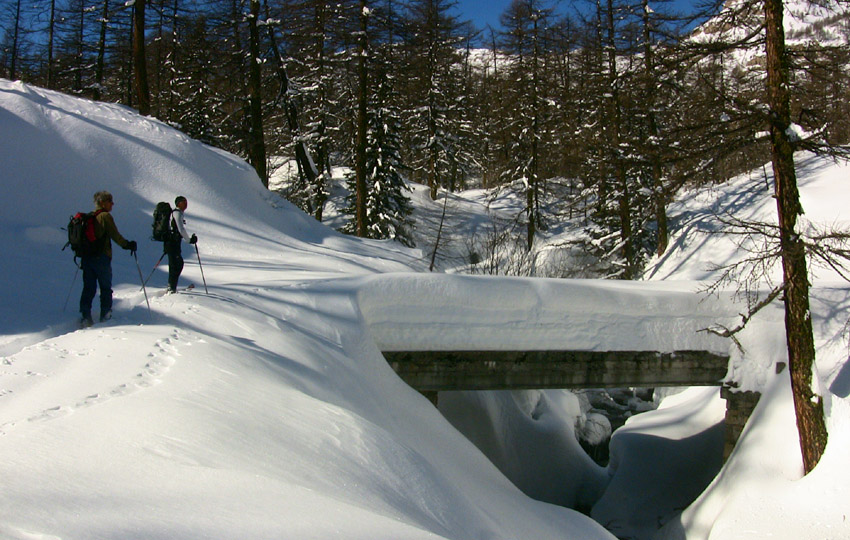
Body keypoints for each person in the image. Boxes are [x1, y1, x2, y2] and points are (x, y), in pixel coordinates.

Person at [79, 191, 137, 327]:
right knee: (105, 287)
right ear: (103, 203)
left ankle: (85, 316)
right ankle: (106, 315)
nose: (112, 204)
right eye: (110, 201)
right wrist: (128, 245)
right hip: (101, 258)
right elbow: (115, 235)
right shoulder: (105, 216)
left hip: (87, 258)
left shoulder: (89, 216)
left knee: (88, 287)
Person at [163, 195, 197, 293]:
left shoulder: (178, 213)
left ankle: (172, 286)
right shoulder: (177, 213)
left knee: (175, 264)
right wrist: (189, 240)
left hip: (172, 243)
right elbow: (180, 228)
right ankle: (171, 287)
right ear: (179, 203)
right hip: (172, 243)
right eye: (184, 202)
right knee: (176, 264)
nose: (186, 204)